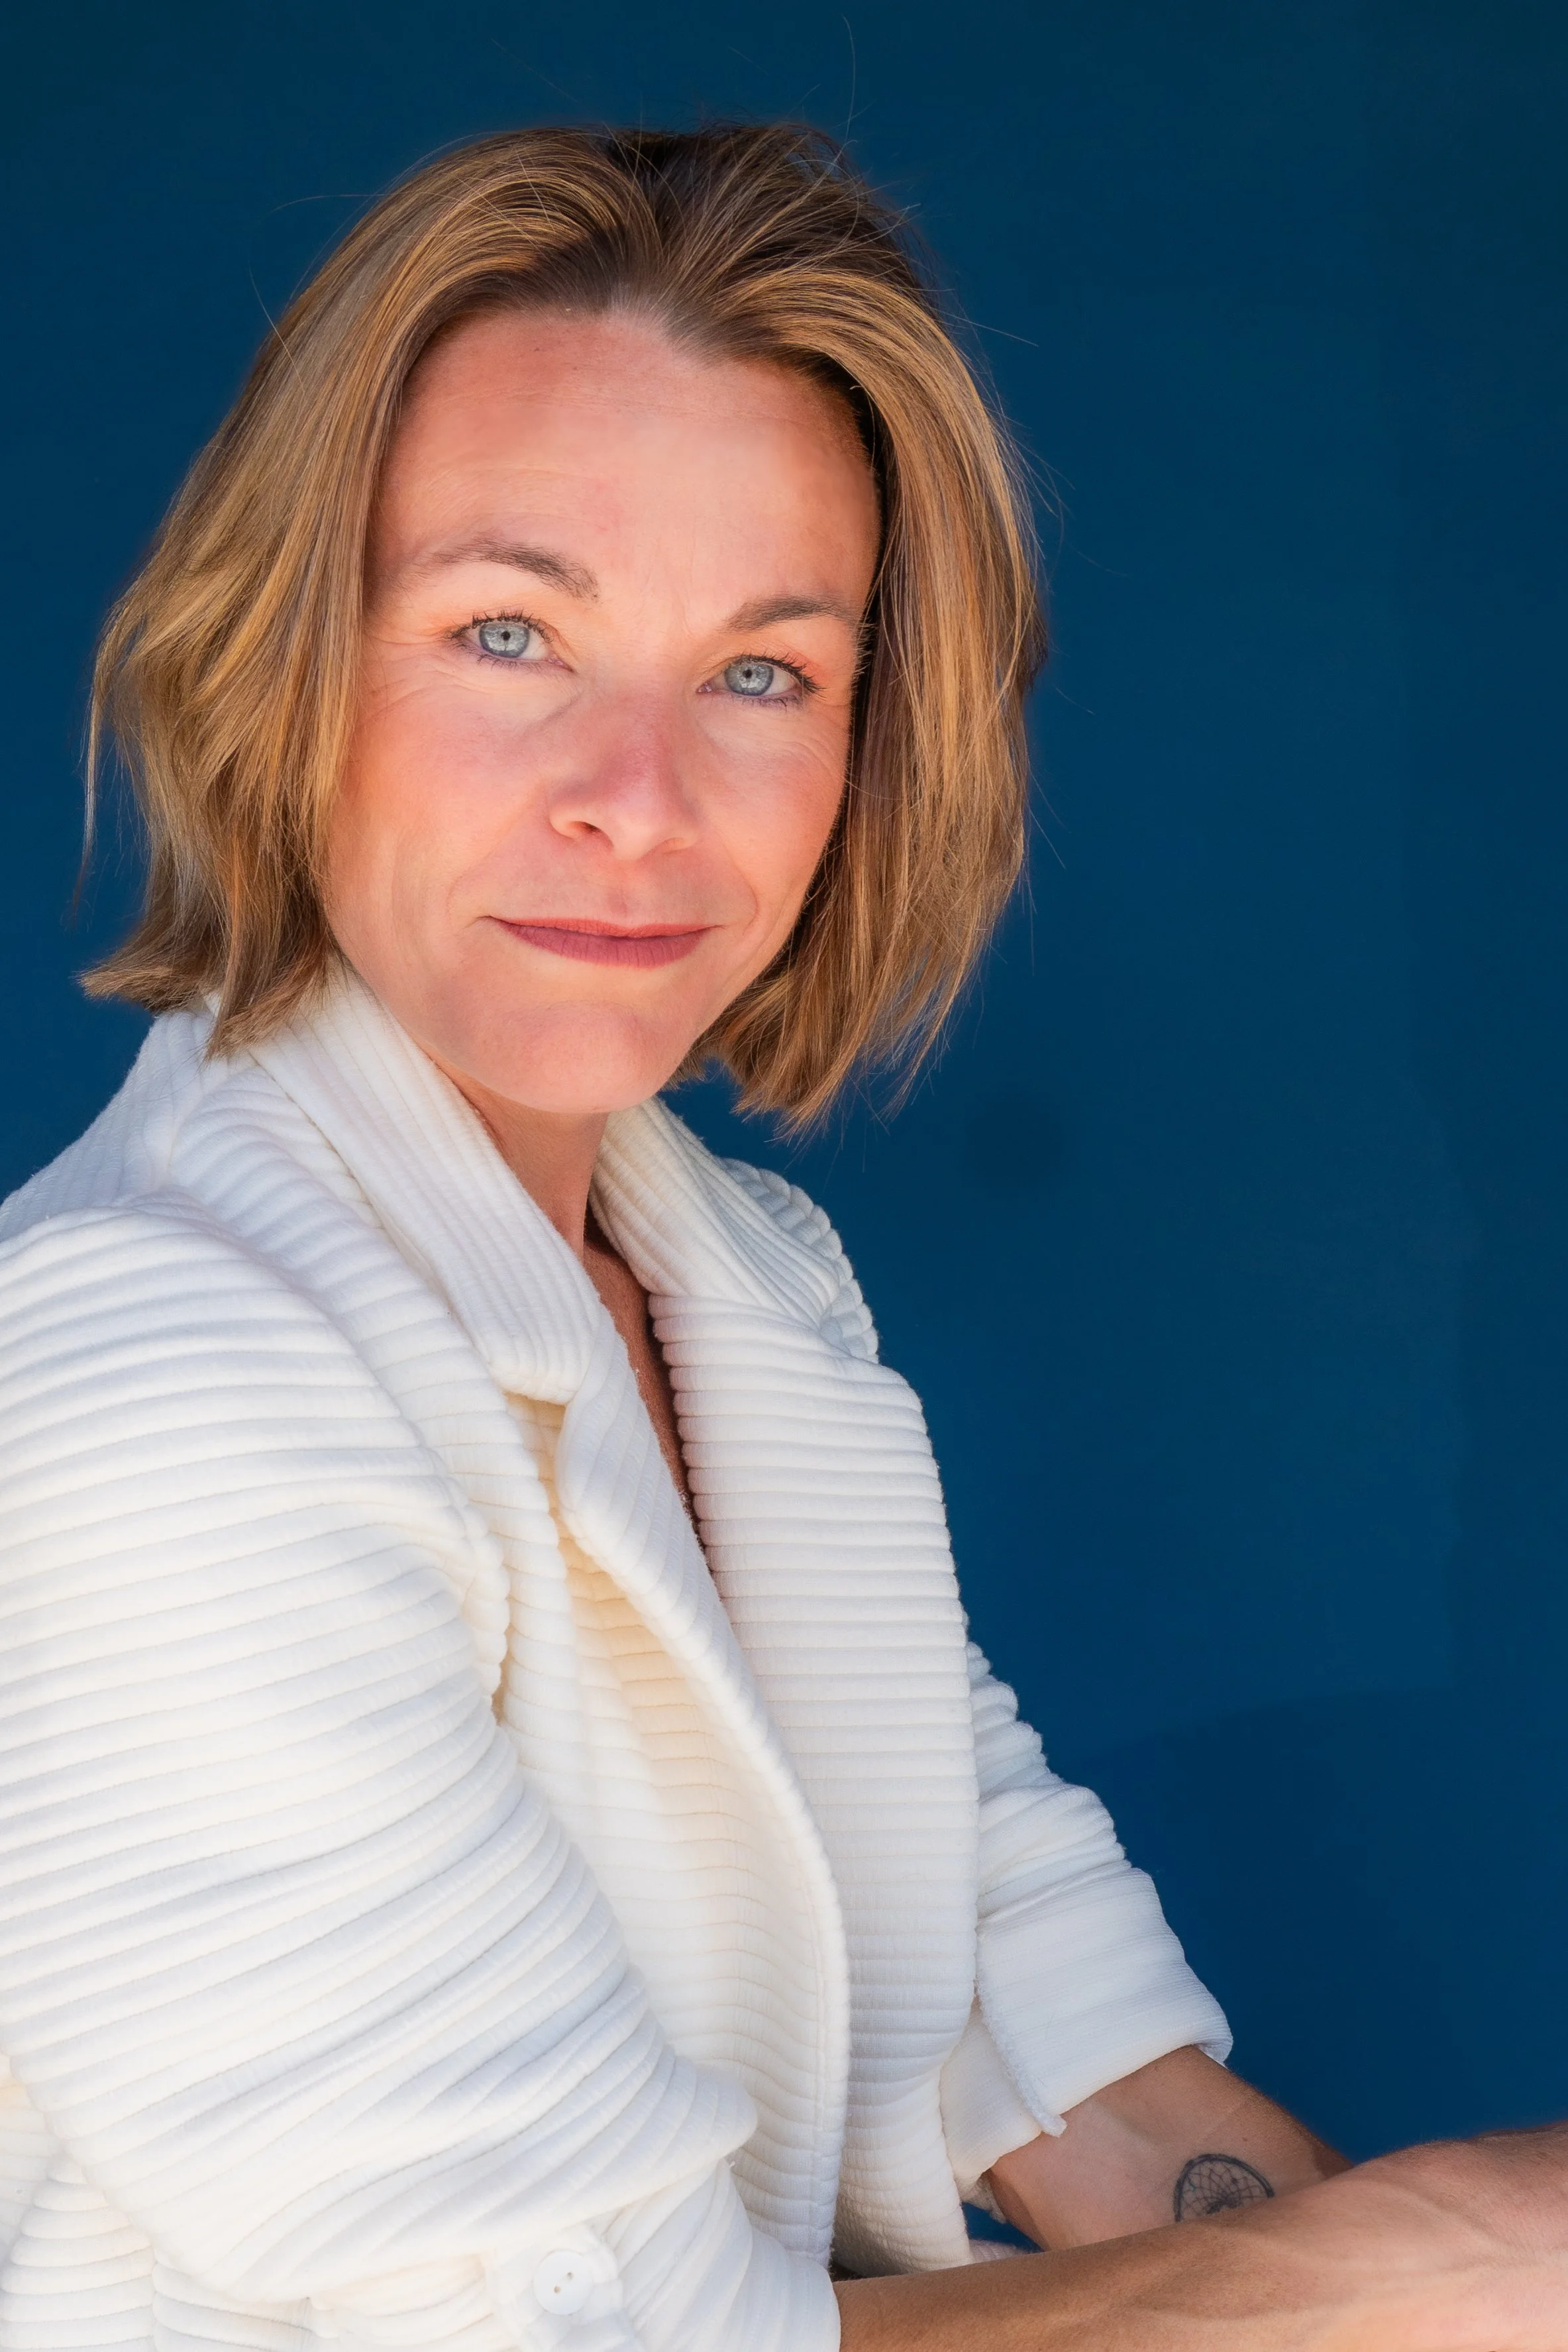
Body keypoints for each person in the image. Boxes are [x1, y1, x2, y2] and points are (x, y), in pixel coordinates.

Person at [0, 122, 1562, 2352]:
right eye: (508, 630)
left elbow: (1068, 2084)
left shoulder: (742, 1298)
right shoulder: (142, 1376)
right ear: (292, 668)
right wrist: (1424, 2268)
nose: (634, 796)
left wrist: (1461, 2275)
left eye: (762, 670)